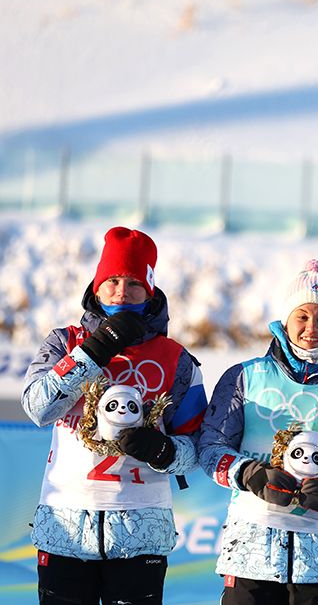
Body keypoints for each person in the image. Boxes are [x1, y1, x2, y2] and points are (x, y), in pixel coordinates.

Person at [22, 226, 208, 605]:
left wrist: (163, 451)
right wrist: (96, 349)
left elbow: (198, 448)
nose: (122, 292)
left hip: (141, 529)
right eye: (112, 282)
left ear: (150, 291)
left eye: (134, 284)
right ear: (96, 288)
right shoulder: (64, 342)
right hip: (66, 526)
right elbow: (37, 408)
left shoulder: (178, 359)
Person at [197, 259, 318, 605]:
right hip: (251, 551)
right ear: (287, 319)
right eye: (302, 316)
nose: (312, 327)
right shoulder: (245, 377)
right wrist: (249, 474)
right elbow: (210, 449)